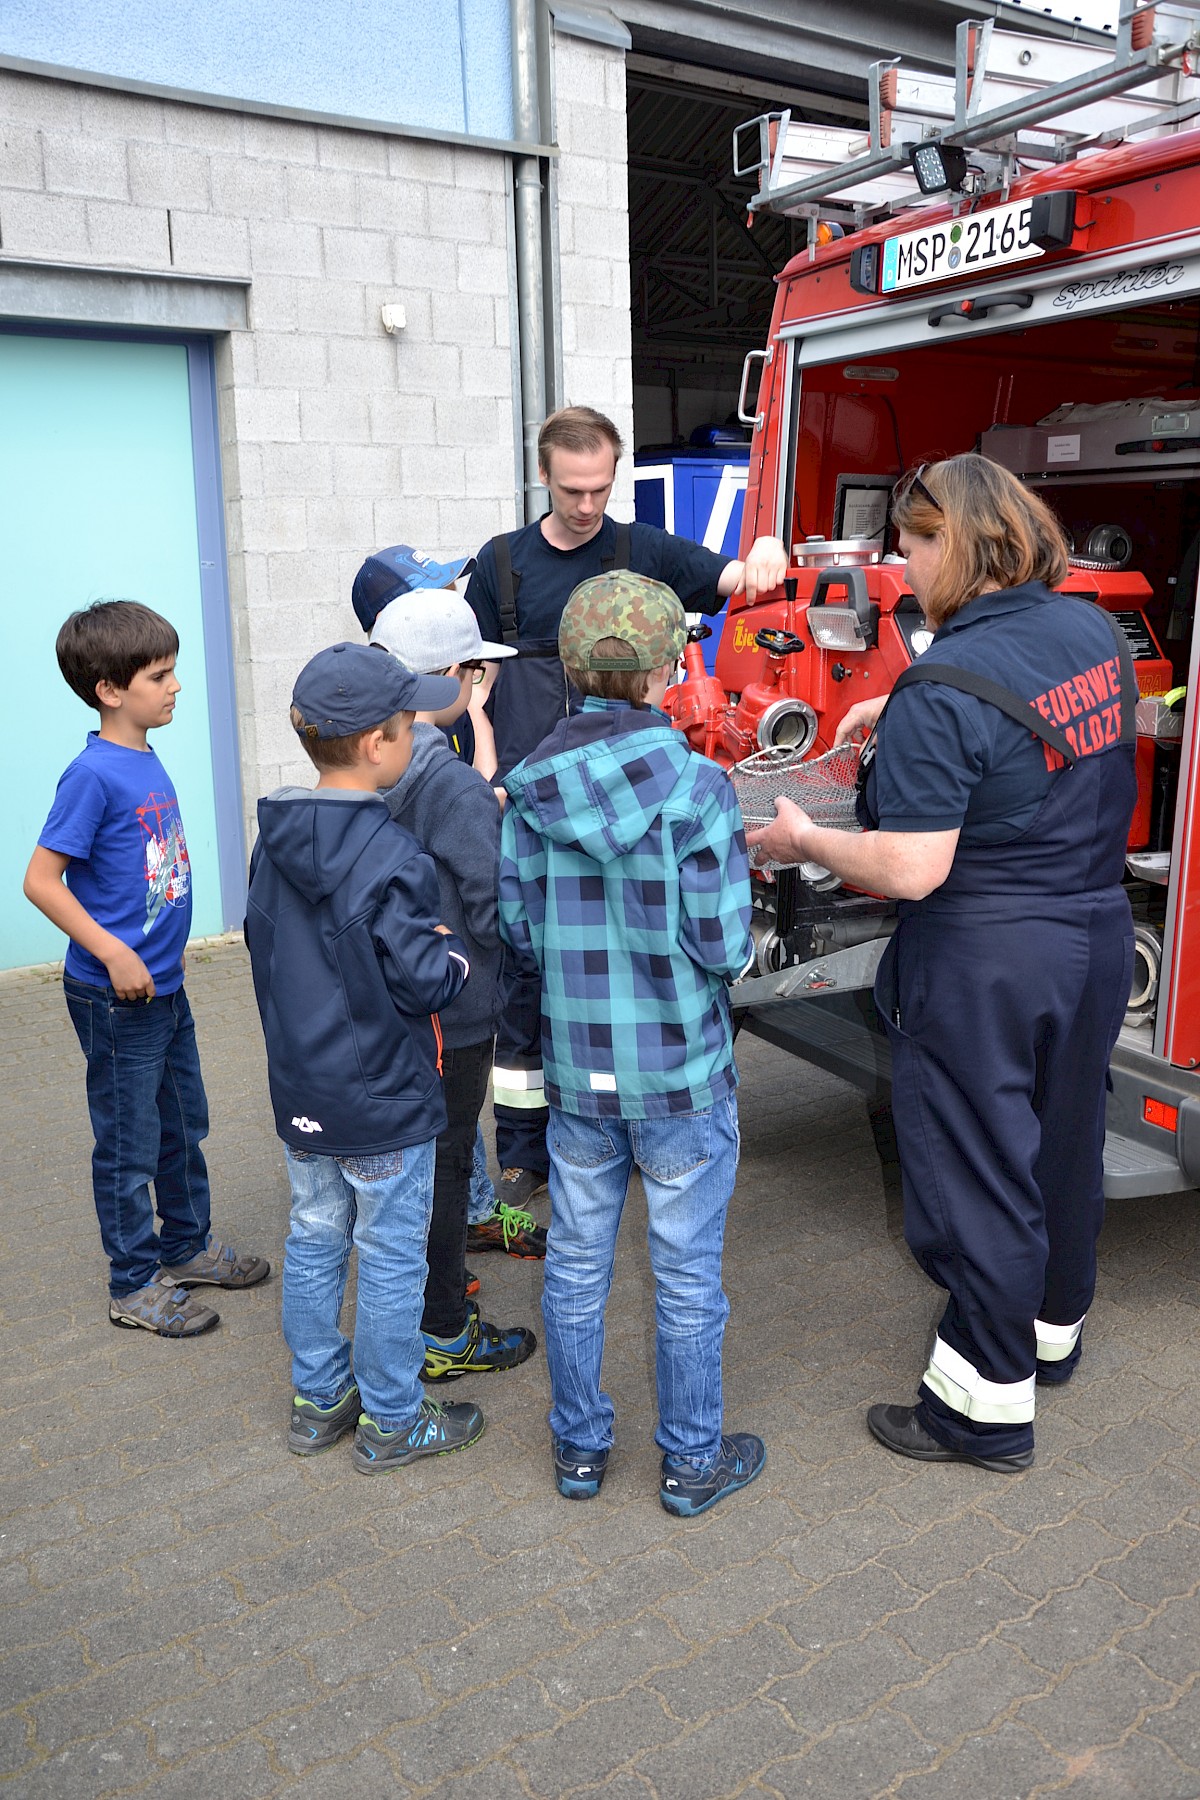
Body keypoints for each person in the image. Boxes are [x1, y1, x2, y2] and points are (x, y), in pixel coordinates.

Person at [745, 454, 1138, 1474]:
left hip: (985, 961)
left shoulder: (945, 684)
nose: (898, 563)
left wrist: (805, 842)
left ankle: (980, 1413)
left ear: (956, 545)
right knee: (1060, 1147)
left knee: (977, 1172)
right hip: (1088, 933)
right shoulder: (1089, 627)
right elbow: (1034, 741)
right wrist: (899, 722)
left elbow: (912, 868)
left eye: (912, 543)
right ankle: (1051, 1336)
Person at [466, 404, 790, 1216]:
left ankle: (633, 1127)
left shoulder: (636, 549)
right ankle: (522, 1151)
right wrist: (483, 772)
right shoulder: (499, 566)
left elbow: (735, 580)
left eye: (600, 488)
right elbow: (469, 677)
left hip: (631, 800)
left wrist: (765, 552)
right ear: (543, 476)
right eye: (573, 490)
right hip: (536, 803)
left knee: (624, 970)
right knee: (526, 987)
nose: (586, 505)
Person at [499, 570, 765, 1516]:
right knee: (686, 1272)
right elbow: (724, 947)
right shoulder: (700, 788)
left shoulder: (526, 792)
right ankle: (692, 1464)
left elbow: (519, 940)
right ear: (666, 672)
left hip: (578, 1076)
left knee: (574, 1264)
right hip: (684, 1074)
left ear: (568, 671)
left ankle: (579, 1454)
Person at [244, 642, 484, 1471]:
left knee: (313, 1237)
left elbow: (265, 954)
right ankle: (392, 1417)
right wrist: (452, 953)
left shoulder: (270, 843)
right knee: (387, 1254)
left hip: (302, 1092)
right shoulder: (394, 858)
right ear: (381, 743)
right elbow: (425, 984)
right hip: (385, 1096)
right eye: (411, 722)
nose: (416, 733)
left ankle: (319, 1401)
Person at [23, 601, 270, 1337]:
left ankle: (186, 1247)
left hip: (166, 989)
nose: (175, 687)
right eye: (159, 675)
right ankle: (132, 1283)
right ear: (109, 689)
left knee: (181, 1122)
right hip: (115, 995)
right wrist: (113, 949)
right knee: (129, 1142)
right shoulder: (92, 775)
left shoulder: (143, 756)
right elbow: (40, 879)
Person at [368, 588, 541, 1380]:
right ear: (454, 676)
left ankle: (419, 1301)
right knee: (443, 1170)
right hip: (460, 1012)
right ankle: (443, 1327)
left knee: (417, 1162)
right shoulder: (455, 786)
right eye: (474, 671)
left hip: (394, 1001)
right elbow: (495, 905)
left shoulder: (374, 764)